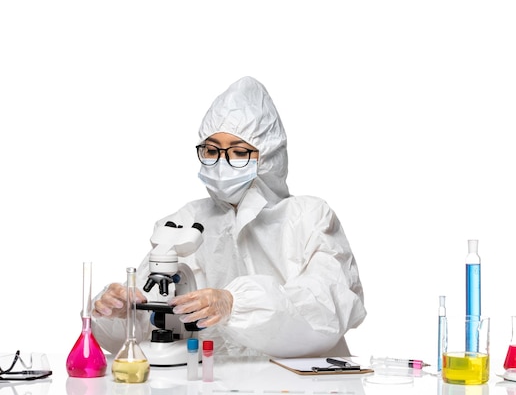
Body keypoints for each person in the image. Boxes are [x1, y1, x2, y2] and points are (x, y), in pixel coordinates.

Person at [92, 76, 366, 358]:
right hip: (213, 382)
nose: (222, 163)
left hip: (299, 383)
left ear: (268, 156)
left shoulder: (309, 217)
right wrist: (121, 311)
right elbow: (147, 323)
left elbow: (327, 308)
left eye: (238, 152)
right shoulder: (187, 219)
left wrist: (236, 304)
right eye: (211, 151)